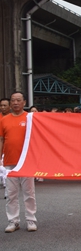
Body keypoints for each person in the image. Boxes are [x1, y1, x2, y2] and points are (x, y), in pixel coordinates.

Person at [1, 92, 37, 233]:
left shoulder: (30, 118)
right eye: (13, 100)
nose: (15, 103)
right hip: (10, 162)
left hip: (27, 162)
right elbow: (1, 140)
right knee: (11, 194)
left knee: (29, 193)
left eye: (18, 100)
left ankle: (31, 219)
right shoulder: (4, 120)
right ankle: (13, 221)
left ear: (24, 102)